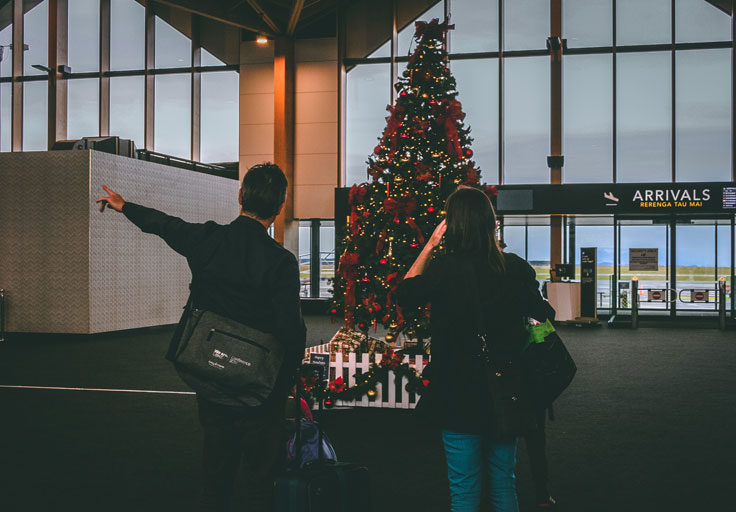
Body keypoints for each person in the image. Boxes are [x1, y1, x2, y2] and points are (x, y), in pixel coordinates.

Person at [95, 163, 306, 512]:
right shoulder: (280, 262)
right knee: (261, 479)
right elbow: (290, 330)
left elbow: (163, 225)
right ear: (280, 207)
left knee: (216, 473)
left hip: (210, 373)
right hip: (260, 386)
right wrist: (293, 377)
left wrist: (124, 205)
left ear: (241, 197)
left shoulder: (207, 239)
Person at [396, 187, 553, 512]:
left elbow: (405, 293)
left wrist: (430, 245)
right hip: (504, 391)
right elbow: (544, 315)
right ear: (490, 224)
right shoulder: (513, 269)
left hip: (456, 395)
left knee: (464, 490)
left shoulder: (443, 271)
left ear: (453, 226)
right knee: (502, 484)